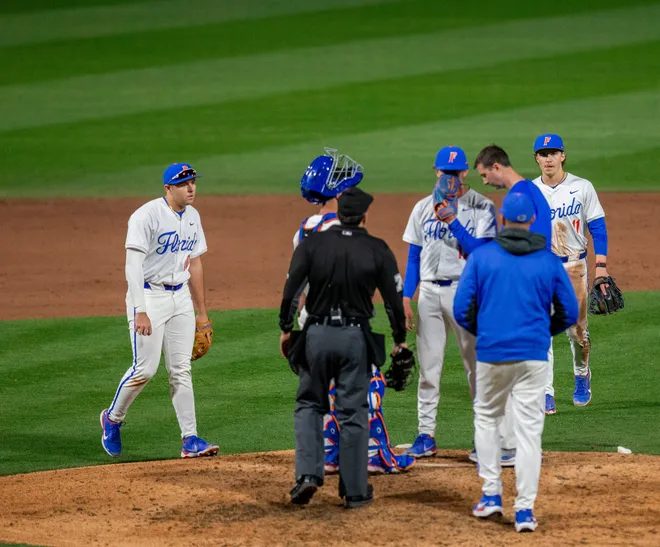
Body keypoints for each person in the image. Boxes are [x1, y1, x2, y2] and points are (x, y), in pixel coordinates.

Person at [453, 192, 578, 533]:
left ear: (502, 219)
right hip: (534, 356)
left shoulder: (482, 257)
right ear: (531, 220)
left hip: (493, 354)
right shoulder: (548, 260)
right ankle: (524, 511)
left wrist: (488, 332)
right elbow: (570, 311)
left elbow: (462, 309)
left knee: (488, 419)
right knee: (528, 435)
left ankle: (491, 494)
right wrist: (542, 333)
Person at [279, 187, 408, 508]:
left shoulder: (312, 244)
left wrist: (286, 329)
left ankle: (308, 474)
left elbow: (291, 290)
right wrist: (400, 341)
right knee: (352, 412)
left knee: (309, 405)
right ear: (364, 216)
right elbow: (393, 303)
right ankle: (354, 490)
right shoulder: (376, 248)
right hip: (355, 338)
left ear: (337, 213)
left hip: (316, 335)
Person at [293, 148, 414, 476]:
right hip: (347, 324)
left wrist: (294, 329)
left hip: (313, 326)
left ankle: (330, 453)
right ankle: (376, 455)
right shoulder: (350, 229)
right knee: (368, 383)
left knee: (325, 385)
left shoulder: (304, 230)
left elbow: (300, 289)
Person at [401, 146, 515, 466]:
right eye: (443, 172)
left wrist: (451, 219)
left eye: (454, 173)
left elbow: (481, 251)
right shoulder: (423, 207)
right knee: (428, 369)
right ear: (436, 172)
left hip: (466, 293)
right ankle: (426, 435)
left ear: (464, 174)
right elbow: (413, 256)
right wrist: (406, 296)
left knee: (477, 370)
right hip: (429, 297)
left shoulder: (482, 206)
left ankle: (487, 438)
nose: (448, 178)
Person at [100, 163, 218, 459]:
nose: (191, 188)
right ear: (168, 188)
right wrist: (140, 309)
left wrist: (201, 311)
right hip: (149, 297)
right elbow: (133, 266)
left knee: (181, 369)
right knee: (145, 369)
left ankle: (190, 440)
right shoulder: (146, 216)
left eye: (193, 182)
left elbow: (196, 262)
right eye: (184, 184)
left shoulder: (193, 216)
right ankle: (112, 419)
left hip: (180, 298)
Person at [532, 134, 609, 413]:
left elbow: (598, 227)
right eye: (543, 153)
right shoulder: (530, 191)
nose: (549, 158)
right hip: (542, 268)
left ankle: (581, 375)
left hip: (575, 266)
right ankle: (545, 391)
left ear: (563, 155)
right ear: (537, 159)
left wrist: (601, 266)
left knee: (577, 331)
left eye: (553, 153)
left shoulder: (582, 187)